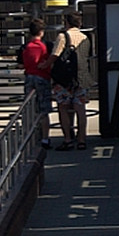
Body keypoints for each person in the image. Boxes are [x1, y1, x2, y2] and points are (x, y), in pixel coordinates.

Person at [46, 12, 92, 151]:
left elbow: (55, 54)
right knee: (80, 109)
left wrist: (45, 65)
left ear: (67, 22)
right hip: (82, 78)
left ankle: (67, 139)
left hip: (64, 80)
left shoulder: (63, 36)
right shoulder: (85, 37)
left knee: (63, 108)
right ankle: (82, 140)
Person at [20, 18, 53, 149]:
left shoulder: (25, 46)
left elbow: (21, 63)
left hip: (29, 78)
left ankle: (30, 137)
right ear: (41, 32)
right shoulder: (45, 45)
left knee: (29, 109)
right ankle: (45, 139)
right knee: (43, 111)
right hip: (42, 78)